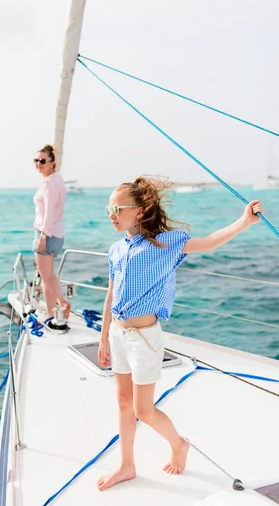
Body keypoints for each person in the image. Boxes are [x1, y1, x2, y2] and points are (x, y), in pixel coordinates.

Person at [97, 175, 263, 491]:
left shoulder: (166, 243)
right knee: (122, 402)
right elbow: (111, 294)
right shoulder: (116, 249)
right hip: (119, 335)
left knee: (143, 410)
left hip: (144, 339)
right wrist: (104, 336)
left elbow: (211, 241)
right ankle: (127, 465)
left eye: (117, 208)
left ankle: (178, 444)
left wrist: (243, 221)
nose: (112, 214)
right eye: (108, 209)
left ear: (141, 210)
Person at [33, 144, 70, 318]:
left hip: (47, 234)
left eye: (42, 161)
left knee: (46, 278)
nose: (38, 164)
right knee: (50, 275)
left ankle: (49, 316)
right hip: (56, 233)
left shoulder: (50, 183)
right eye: (36, 160)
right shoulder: (57, 180)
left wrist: (42, 236)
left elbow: (49, 212)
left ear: (52, 162)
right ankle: (62, 302)